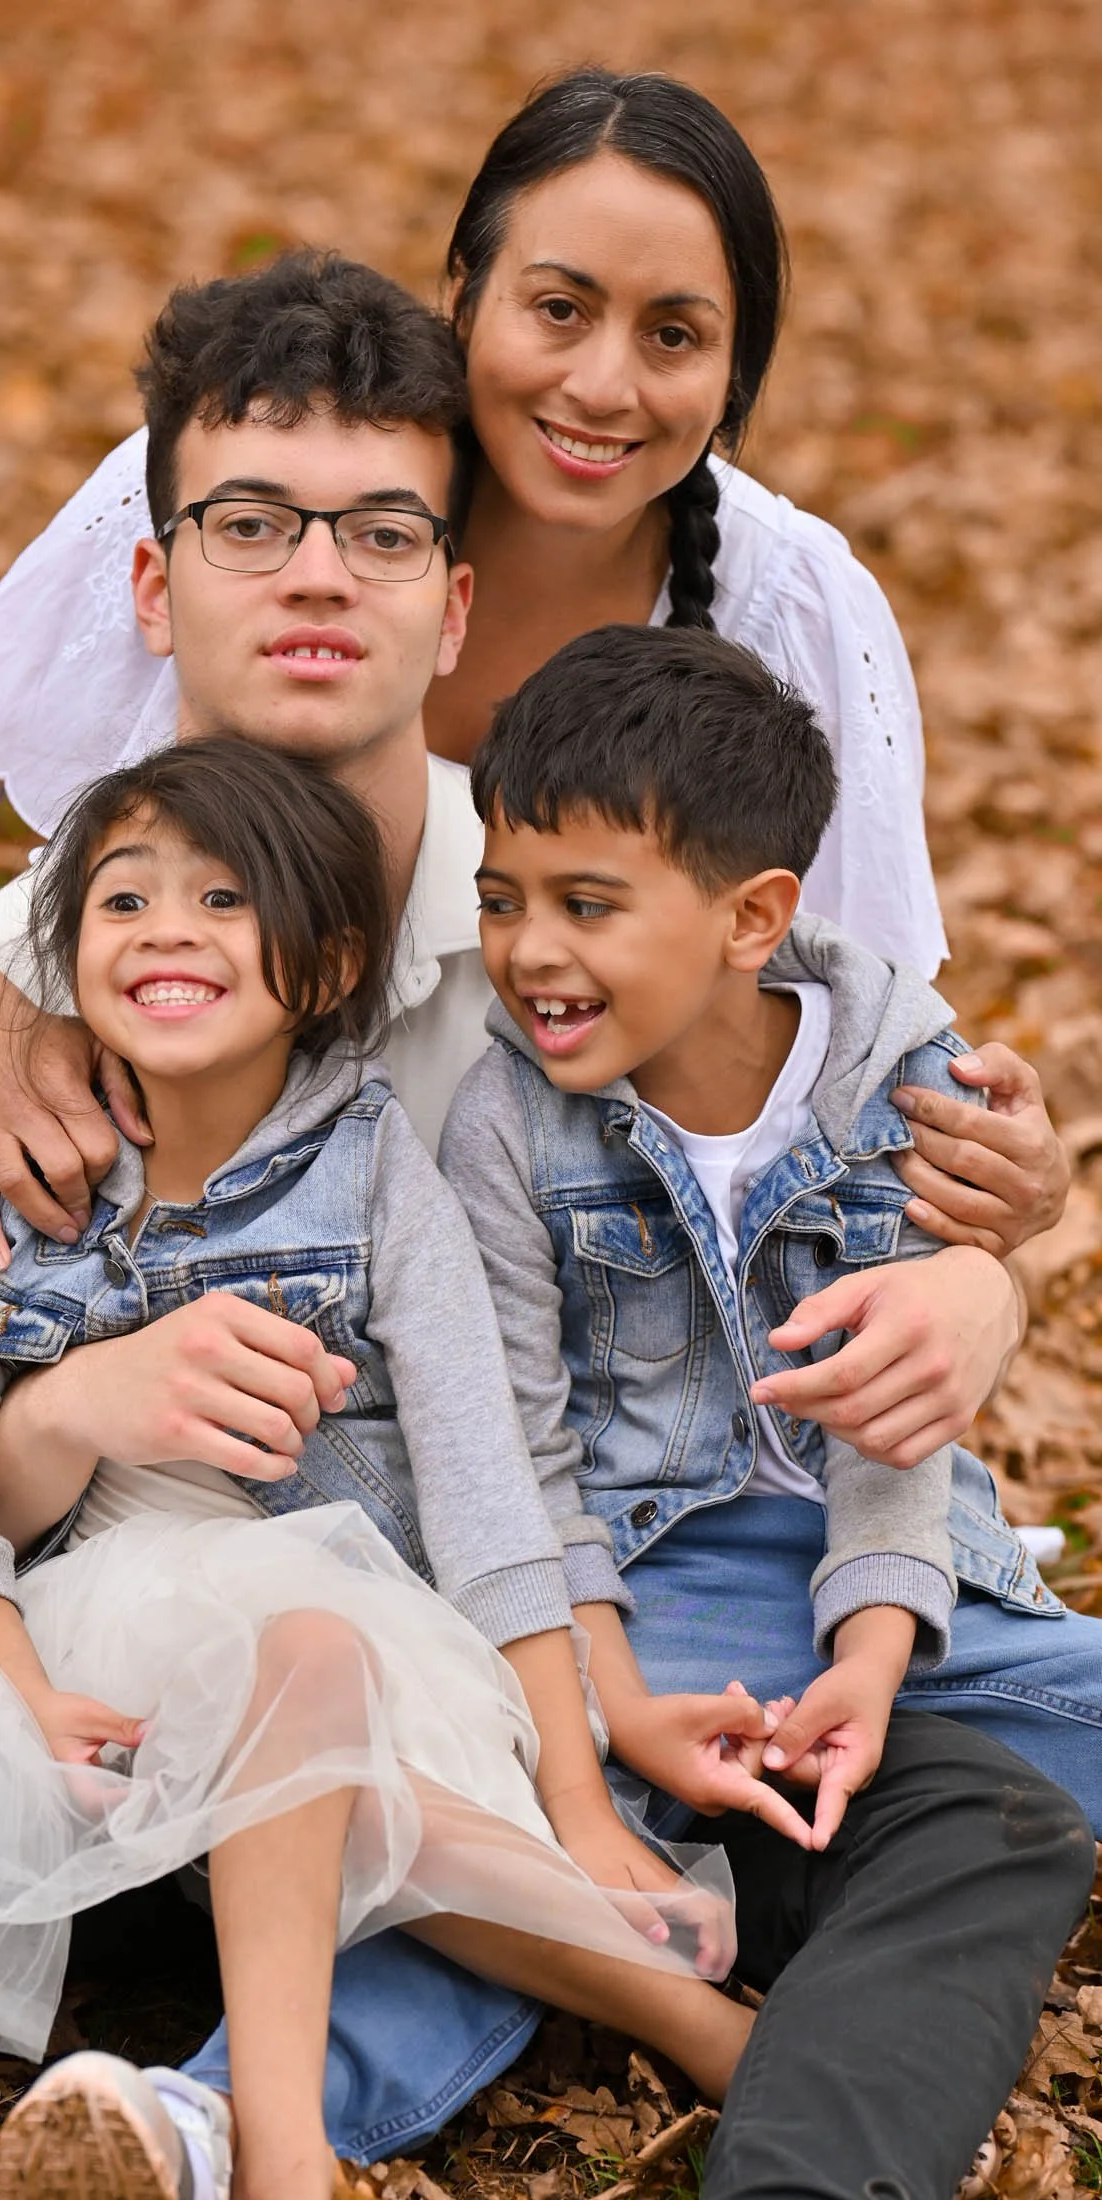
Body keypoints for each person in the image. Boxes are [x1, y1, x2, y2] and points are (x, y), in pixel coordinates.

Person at [0, 252, 1090, 2200]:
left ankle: (757, 2123)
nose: (317, 575)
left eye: (381, 529)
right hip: (111, 1716)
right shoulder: (10, 994)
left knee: (975, 1813)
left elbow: (795, 1230)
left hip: (517, 1690)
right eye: (249, 524)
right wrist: (88, 1408)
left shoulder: (563, 945)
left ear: (454, 596)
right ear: (147, 586)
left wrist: (972, 1277)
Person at [0, 76, 1066, 1595]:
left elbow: (854, 1076)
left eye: (674, 336)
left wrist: (985, 1269)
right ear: (461, 302)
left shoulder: (787, 610)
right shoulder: (278, 470)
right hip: (170, 1094)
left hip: (587, 1449)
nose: (601, 385)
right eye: (556, 309)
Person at [0, 739, 756, 2200]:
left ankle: (282, 2154)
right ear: (71, 955)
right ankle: (675, 2008)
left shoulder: (372, 1175)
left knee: (299, 1653)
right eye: (122, 901)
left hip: (338, 1637)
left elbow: (489, 1495)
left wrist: (581, 1800)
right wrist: (13, 1680)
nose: (166, 927)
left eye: (223, 900)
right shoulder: (34, 1189)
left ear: (325, 959)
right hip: (81, 1646)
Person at [441, 619, 1102, 1835]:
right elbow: (522, 1459)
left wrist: (875, 1653)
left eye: (587, 905)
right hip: (651, 1583)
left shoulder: (897, 1084)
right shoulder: (504, 1125)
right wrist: (614, 1692)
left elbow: (891, 1430)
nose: (530, 950)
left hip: (903, 1576)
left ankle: (875, 1761)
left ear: (753, 919)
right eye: (501, 900)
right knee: (530, 1794)